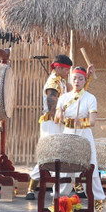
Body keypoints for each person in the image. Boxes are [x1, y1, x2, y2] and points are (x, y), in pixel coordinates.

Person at [54, 66, 106, 212]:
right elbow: (57, 117)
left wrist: (81, 122)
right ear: (71, 80)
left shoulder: (90, 98)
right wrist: (62, 117)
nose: (77, 81)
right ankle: (57, 208)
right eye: (74, 78)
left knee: (91, 167)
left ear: (85, 80)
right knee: (64, 170)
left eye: (80, 79)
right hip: (68, 134)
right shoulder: (64, 97)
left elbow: (92, 122)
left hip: (84, 136)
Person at [26, 55, 72, 200]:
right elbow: (52, 107)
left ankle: (62, 190)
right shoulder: (53, 82)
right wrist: (66, 122)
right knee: (48, 155)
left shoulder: (61, 81)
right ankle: (31, 188)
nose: (68, 73)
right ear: (58, 68)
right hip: (52, 124)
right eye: (66, 70)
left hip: (58, 123)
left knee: (61, 155)